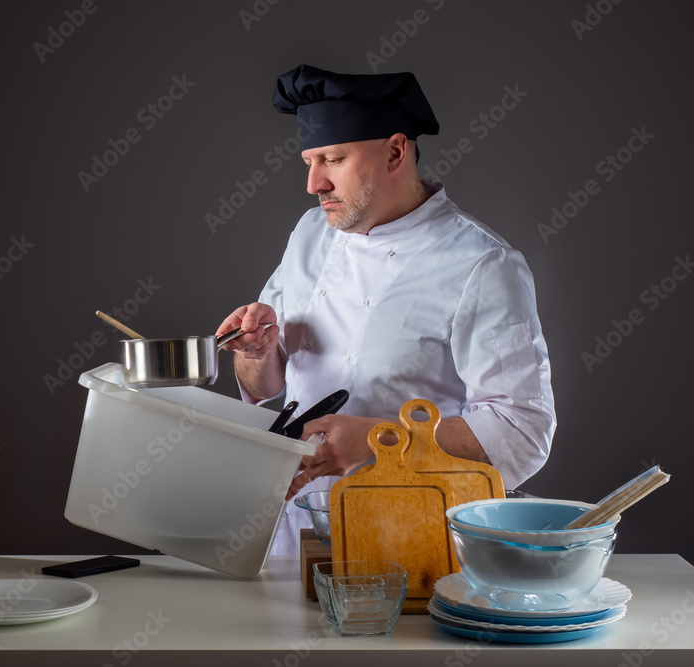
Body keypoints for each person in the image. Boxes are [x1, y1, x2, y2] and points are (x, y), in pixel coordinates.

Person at [217, 64, 556, 555]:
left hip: (410, 541)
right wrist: (254, 353)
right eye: (309, 161)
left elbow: (523, 430)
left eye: (333, 159)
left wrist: (380, 439)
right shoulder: (311, 233)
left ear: (396, 151)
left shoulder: (481, 264)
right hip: (291, 536)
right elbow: (267, 390)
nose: (314, 183)